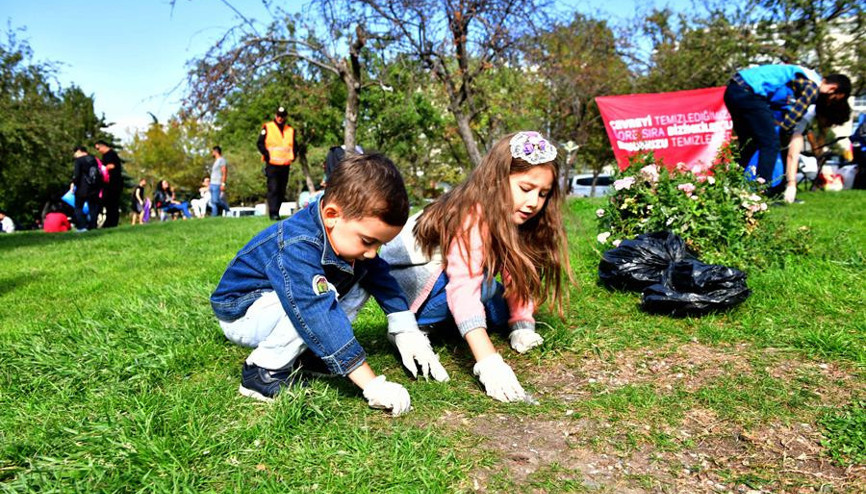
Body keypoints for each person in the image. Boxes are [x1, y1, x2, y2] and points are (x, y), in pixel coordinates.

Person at [210, 153, 448, 415]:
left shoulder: (345, 235)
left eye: (380, 244)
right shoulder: (297, 244)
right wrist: (372, 384)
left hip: (278, 305)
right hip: (244, 313)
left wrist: (405, 328)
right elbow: (315, 311)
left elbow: (380, 275)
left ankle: (311, 355)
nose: (372, 252)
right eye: (369, 241)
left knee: (361, 278)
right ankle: (262, 372)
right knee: (317, 298)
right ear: (332, 214)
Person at [380, 131, 570, 403]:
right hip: (414, 284)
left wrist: (522, 324)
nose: (533, 203)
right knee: (474, 290)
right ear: (496, 181)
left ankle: (447, 325)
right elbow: (463, 288)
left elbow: (514, 272)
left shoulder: (512, 214)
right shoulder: (471, 215)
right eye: (526, 189)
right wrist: (488, 362)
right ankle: (412, 328)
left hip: (457, 279)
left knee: (498, 308)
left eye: (542, 194)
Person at [723, 64, 851, 197]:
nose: (829, 102)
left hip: (733, 90)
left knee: (749, 144)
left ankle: (732, 187)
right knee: (771, 144)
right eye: (833, 99)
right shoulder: (813, 87)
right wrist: (785, 134)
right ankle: (760, 194)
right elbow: (792, 118)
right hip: (749, 93)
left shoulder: (801, 74)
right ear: (832, 89)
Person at [258, 106, 296, 220]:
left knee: (281, 189)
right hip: (272, 163)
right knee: (273, 188)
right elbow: (260, 143)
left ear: (285, 117)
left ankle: (277, 211)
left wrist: (294, 156)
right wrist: (266, 154)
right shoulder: (268, 127)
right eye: (278, 115)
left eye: (282, 116)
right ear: (276, 116)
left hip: (285, 164)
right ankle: (273, 213)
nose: (280, 118)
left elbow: (295, 145)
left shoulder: (290, 130)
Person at [71, 146, 102, 231]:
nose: (75, 155)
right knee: (93, 208)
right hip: (94, 187)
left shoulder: (79, 161)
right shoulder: (94, 159)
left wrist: (73, 184)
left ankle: (82, 226)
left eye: (75, 153)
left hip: (82, 188)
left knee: (78, 207)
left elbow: (77, 175)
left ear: (80, 151)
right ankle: (93, 226)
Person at [94, 140, 124, 228]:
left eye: (98, 148)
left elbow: (113, 166)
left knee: (113, 204)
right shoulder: (104, 156)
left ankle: (112, 222)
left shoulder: (111, 154)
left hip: (114, 184)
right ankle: (108, 222)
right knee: (108, 204)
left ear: (103, 146)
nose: (98, 151)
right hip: (107, 184)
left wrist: (104, 168)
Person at [209, 146, 231, 216]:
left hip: (217, 183)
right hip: (212, 183)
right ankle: (214, 216)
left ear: (216, 151)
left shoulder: (222, 160)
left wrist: (223, 183)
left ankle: (227, 209)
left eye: (213, 151)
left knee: (216, 201)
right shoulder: (216, 161)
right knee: (213, 201)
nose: (212, 153)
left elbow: (224, 172)